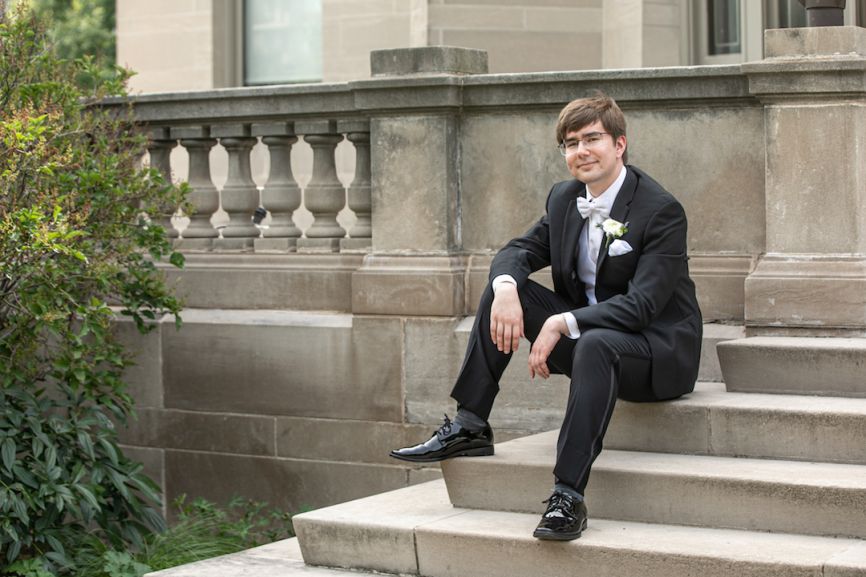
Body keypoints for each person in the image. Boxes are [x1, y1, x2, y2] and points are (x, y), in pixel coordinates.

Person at [390, 93, 702, 541]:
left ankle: (567, 495)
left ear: (619, 144)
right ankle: (471, 424)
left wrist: (561, 322)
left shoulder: (661, 209)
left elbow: (642, 307)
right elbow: (518, 251)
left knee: (595, 341)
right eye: (571, 143)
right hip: (593, 340)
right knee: (506, 287)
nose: (581, 151)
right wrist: (504, 290)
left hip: (654, 353)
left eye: (592, 138)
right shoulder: (565, 197)